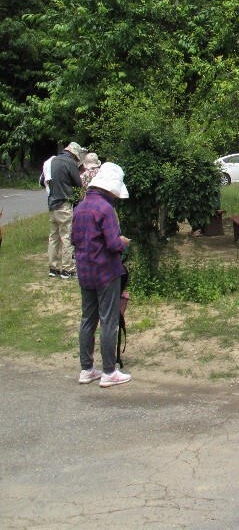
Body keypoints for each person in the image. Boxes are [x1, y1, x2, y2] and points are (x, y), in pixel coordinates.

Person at [71, 162, 132, 387]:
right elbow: (114, 243)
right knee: (108, 320)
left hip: (85, 271)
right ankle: (109, 372)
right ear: (110, 189)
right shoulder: (106, 209)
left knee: (88, 319)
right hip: (106, 272)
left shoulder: (80, 207)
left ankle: (86, 369)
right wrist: (123, 242)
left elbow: (73, 240)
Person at [46, 142, 86, 278]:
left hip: (52, 204)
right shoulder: (70, 163)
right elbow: (78, 183)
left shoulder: (54, 160)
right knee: (66, 236)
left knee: (54, 237)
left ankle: (53, 267)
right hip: (64, 203)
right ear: (74, 154)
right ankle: (68, 269)